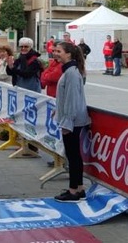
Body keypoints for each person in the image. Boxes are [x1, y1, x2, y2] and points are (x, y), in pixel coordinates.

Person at [52, 41, 91, 202]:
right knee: (74, 155)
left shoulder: (72, 73)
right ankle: (79, 188)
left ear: (68, 54)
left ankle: (73, 190)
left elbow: (72, 99)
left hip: (73, 121)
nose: (55, 53)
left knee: (73, 156)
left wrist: (67, 122)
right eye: (55, 50)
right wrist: (58, 109)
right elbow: (66, 97)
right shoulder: (70, 71)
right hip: (71, 119)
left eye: (58, 51)